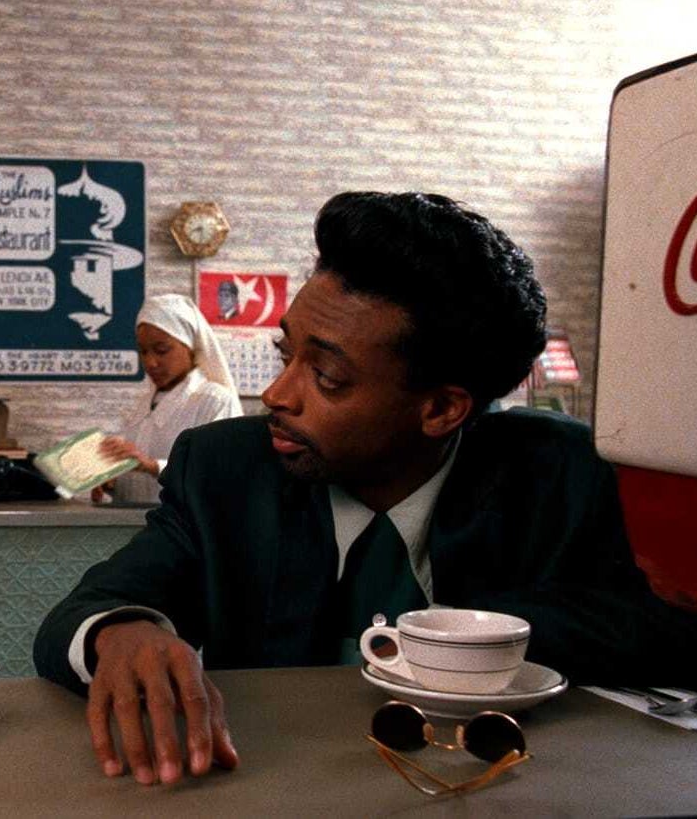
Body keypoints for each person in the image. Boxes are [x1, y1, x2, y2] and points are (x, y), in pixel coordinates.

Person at [34, 191, 697, 786]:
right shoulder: (227, 469)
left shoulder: (555, 472)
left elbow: (661, 632)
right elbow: (88, 608)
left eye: (325, 375)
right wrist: (122, 632)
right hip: (270, 786)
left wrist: (454, 640)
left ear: (441, 409)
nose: (275, 394)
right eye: (283, 354)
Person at [94, 294, 242, 503]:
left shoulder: (214, 401)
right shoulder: (143, 407)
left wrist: (153, 466)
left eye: (161, 350)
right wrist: (112, 481)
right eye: (143, 352)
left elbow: (221, 474)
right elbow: (140, 485)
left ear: (189, 345)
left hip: (188, 533)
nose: (150, 362)